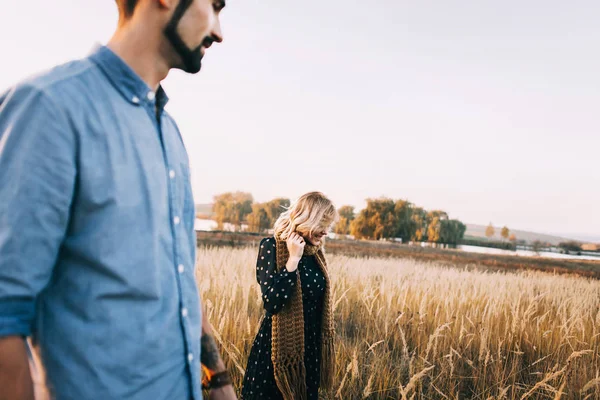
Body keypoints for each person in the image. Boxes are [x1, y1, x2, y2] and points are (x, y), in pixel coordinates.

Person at [0, 1, 237, 399]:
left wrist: (220, 383)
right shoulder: (50, 107)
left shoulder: (169, 132)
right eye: (213, 6)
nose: (218, 31)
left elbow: (182, 282)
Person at [241, 192, 338, 400]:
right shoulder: (272, 247)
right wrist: (293, 259)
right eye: (323, 224)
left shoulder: (316, 253)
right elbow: (272, 302)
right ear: (307, 219)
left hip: (309, 352)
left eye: (328, 226)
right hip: (277, 353)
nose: (326, 232)